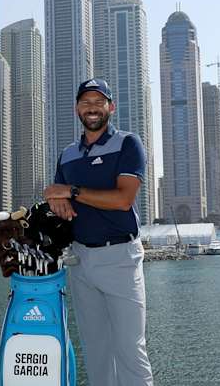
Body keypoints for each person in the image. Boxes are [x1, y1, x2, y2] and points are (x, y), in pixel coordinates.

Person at [43, 78, 154, 386]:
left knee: (130, 350)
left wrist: (71, 191)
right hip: (80, 260)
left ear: (110, 107)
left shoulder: (128, 143)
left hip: (120, 258)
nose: (92, 108)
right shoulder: (67, 154)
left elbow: (123, 200)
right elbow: (58, 195)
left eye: (98, 102)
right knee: (96, 350)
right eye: (85, 102)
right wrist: (56, 200)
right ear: (77, 108)